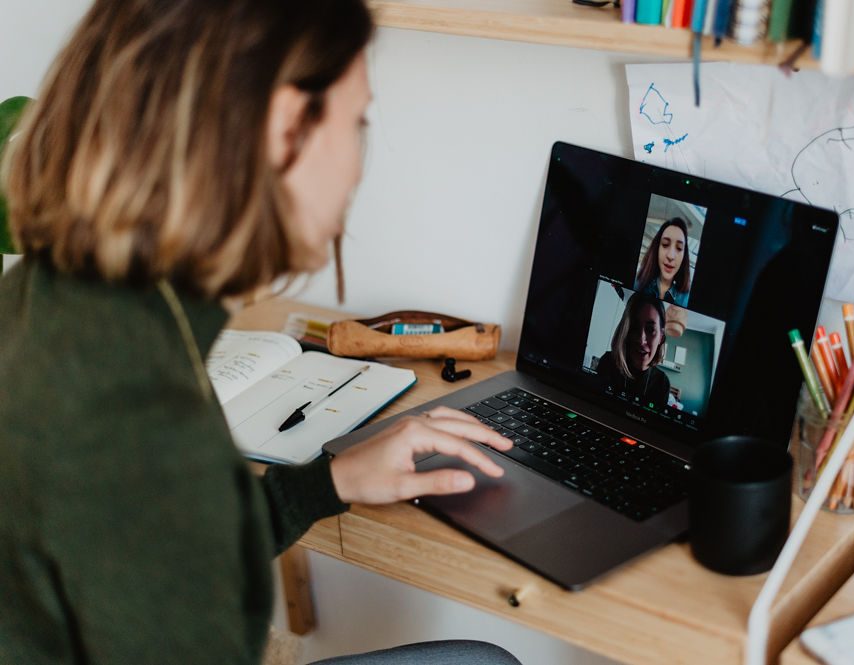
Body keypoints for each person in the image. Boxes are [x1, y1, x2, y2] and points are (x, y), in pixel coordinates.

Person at [0, 2, 521, 664]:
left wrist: (325, 483)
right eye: (355, 121)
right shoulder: (137, 417)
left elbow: (167, 544)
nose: (359, 165)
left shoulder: (54, 292)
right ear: (281, 130)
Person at [596, 292, 672, 409]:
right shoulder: (608, 362)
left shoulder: (662, 383)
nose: (641, 340)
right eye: (634, 327)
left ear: (661, 337)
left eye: (650, 329)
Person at [633, 217, 692, 307]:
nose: (670, 256)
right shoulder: (637, 283)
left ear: (684, 257)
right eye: (665, 244)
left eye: (679, 248)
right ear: (657, 249)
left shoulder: (686, 300)